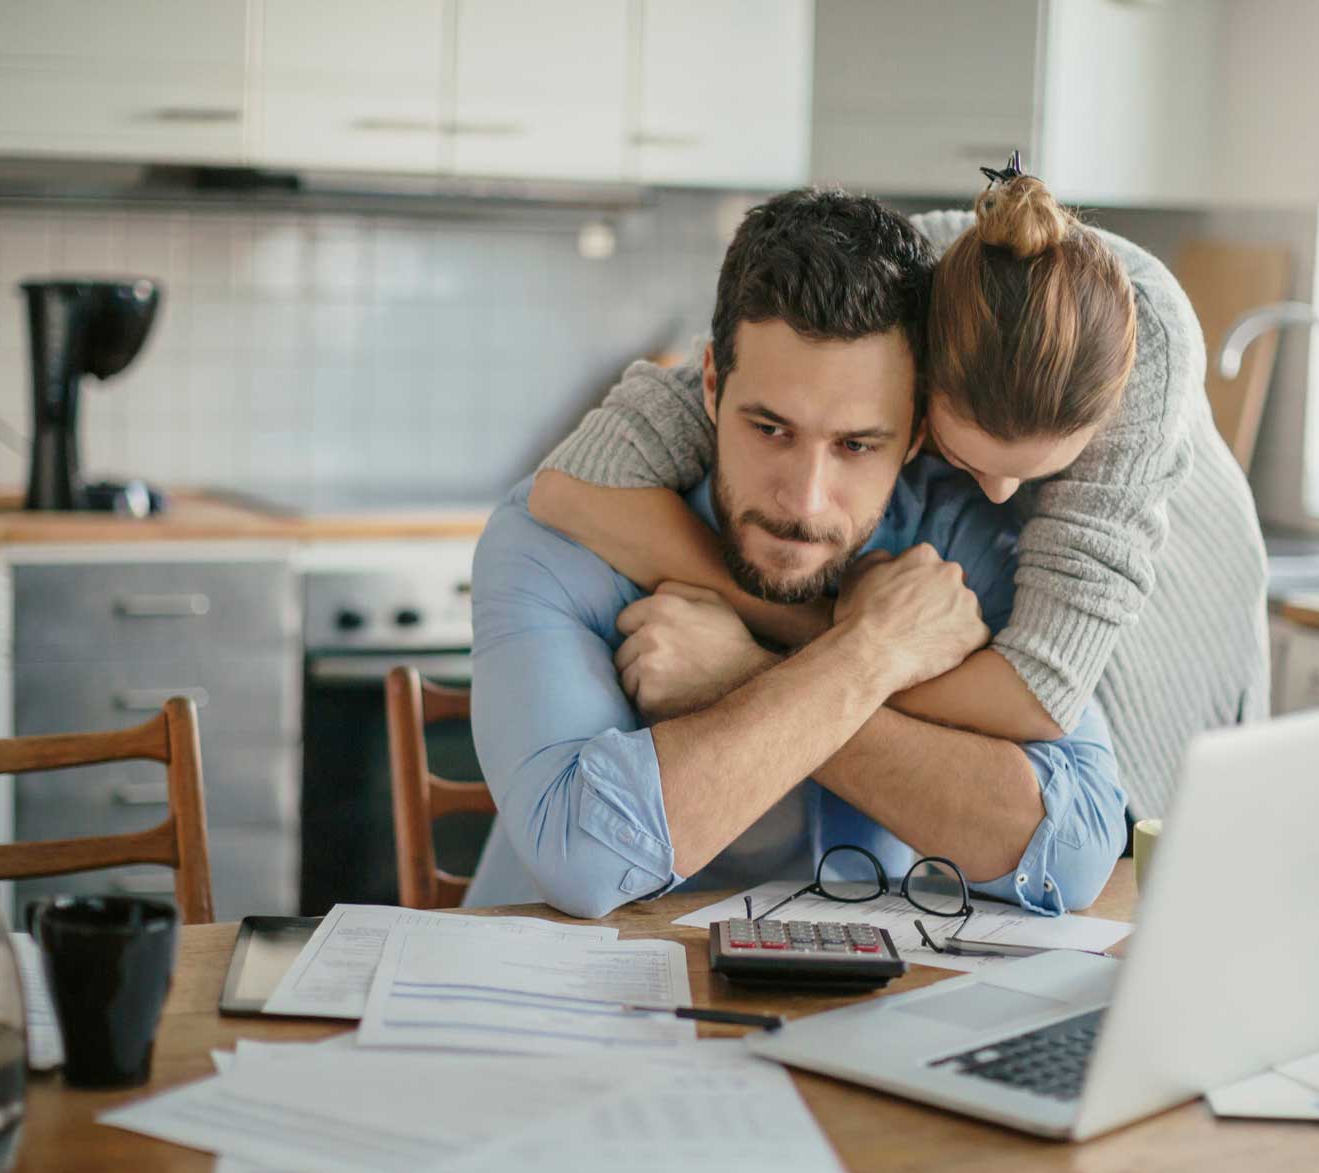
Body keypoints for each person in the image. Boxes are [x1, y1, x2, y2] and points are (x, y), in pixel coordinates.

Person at [529, 169, 1269, 820]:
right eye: (961, 454)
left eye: (1039, 472)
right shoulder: (885, 296)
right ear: (914, 392)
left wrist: (783, 661)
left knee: (1156, 854)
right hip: (971, 630)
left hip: (1177, 622)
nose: (999, 494)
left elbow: (1037, 696)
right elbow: (573, 487)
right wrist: (855, 641)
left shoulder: (1146, 358)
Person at [465, 189, 1126, 919]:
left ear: (916, 434)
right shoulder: (558, 539)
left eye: (856, 445)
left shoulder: (955, 545)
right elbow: (586, 859)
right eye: (770, 430)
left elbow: (1072, 854)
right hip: (574, 982)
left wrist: (739, 674)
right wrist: (869, 656)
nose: (804, 501)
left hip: (863, 987)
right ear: (711, 386)